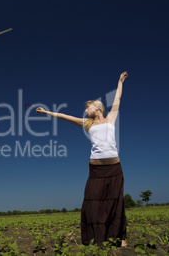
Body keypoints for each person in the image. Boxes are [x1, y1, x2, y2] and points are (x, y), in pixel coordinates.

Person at [36, 71, 128, 247]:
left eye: (88, 107)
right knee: (92, 201)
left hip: (115, 168)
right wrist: (46, 112)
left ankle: (120, 239)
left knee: (116, 201)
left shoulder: (111, 119)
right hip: (96, 170)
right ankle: (96, 238)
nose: (86, 110)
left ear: (98, 108)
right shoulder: (87, 123)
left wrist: (120, 82)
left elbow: (117, 99)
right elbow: (64, 117)